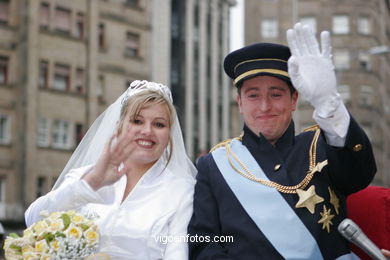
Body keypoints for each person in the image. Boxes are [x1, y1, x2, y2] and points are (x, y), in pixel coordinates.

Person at [188, 23, 377, 259]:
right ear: (240, 103)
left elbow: (360, 174)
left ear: (294, 99)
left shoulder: (324, 143)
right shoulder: (214, 164)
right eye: (253, 95)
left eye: (276, 94)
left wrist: (331, 105)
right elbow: (203, 243)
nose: (265, 106)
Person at [25, 80, 197, 259]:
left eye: (159, 124)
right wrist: (92, 182)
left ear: (169, 134)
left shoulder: (183, 191)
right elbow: (33, 220)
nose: (147, 131)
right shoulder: (86, 175)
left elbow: (177, 253)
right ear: (119, 126)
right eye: (137, 121)